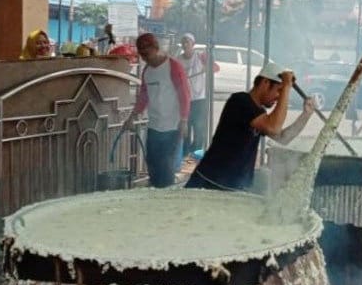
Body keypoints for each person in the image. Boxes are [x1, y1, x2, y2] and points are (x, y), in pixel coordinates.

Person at [184, 62, 314, 191]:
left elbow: (283, 138)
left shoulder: (260, 113)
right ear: (265, 83)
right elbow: (273, 128)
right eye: (278, 90)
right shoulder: (240, 101)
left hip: (234, 184)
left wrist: (306, 115)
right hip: (211, 181)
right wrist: (286, 87)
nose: (279, 97)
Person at [124, 33, 190, 188]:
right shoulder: (147, 71)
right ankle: (155, 193)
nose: (144, 57)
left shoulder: (173, 66)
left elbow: (184, 95)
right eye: (142, 54)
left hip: (172, 126)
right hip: (154, 126)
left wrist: (184, 120)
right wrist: (132, 117)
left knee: (166, 168)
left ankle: (166, 199)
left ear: (156, 48)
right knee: (152, 164)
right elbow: (143, 98)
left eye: (147, 53)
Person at [178, 33, 219, 157]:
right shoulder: (178, 60)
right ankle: (184, 153)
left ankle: (195, 154)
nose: (185, 45)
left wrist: (208, 67)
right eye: (183, 42)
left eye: (188, 42)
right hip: (185, 100)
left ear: (193, 44)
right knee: (185, 128)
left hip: (200, 99)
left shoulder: (201, 56)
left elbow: (216, 68)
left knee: (199, 129)